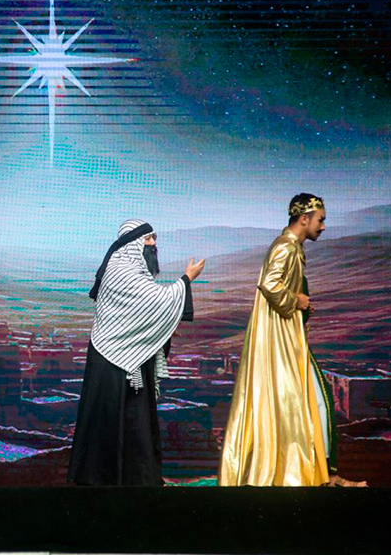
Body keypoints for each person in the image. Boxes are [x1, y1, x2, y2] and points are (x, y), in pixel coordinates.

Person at [67, 219, 205, 485]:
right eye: (149, 238)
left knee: (136, 424)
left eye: (154, 238)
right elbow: (157, 300)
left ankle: (137, 480)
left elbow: (140, 314)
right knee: (109, 421)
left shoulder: (135, 273)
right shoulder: (121, 270)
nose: (154, 244)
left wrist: (160, 329)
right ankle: (104, 481)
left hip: (133, 361)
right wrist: (187, 278)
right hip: (111, 363)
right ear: (132, 242)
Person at [219, 194, 341, 486]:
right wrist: (296, 301)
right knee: (308, 398)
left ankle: (315, 472)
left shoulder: (291, 246)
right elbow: (269, 284)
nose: (323, 226)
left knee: (309, 398)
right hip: (280, 338)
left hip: (286, 333)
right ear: (304, 219)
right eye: (320, 220)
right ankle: (310, 473)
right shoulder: (286, 246)